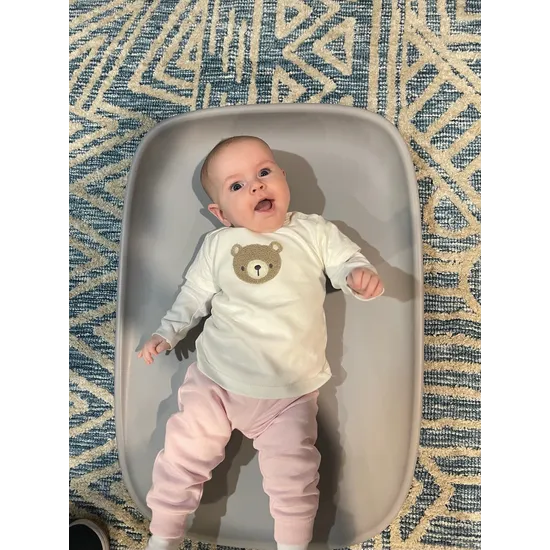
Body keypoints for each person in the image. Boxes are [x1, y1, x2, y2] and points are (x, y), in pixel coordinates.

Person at [137, 135, 384, 550]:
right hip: (216, 381)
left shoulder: (313, 232)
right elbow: (193, 296)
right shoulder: (218, 245)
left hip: (288, 394)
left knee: (295, 476)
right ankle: (164, 534)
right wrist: (167, 332)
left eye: (264, 173)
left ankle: (293, 544)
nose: (255, 186)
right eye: (237, 185)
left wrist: (358, 277)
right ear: (220, 213)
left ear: (283, 178)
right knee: (183, 454)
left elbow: (346, 261)